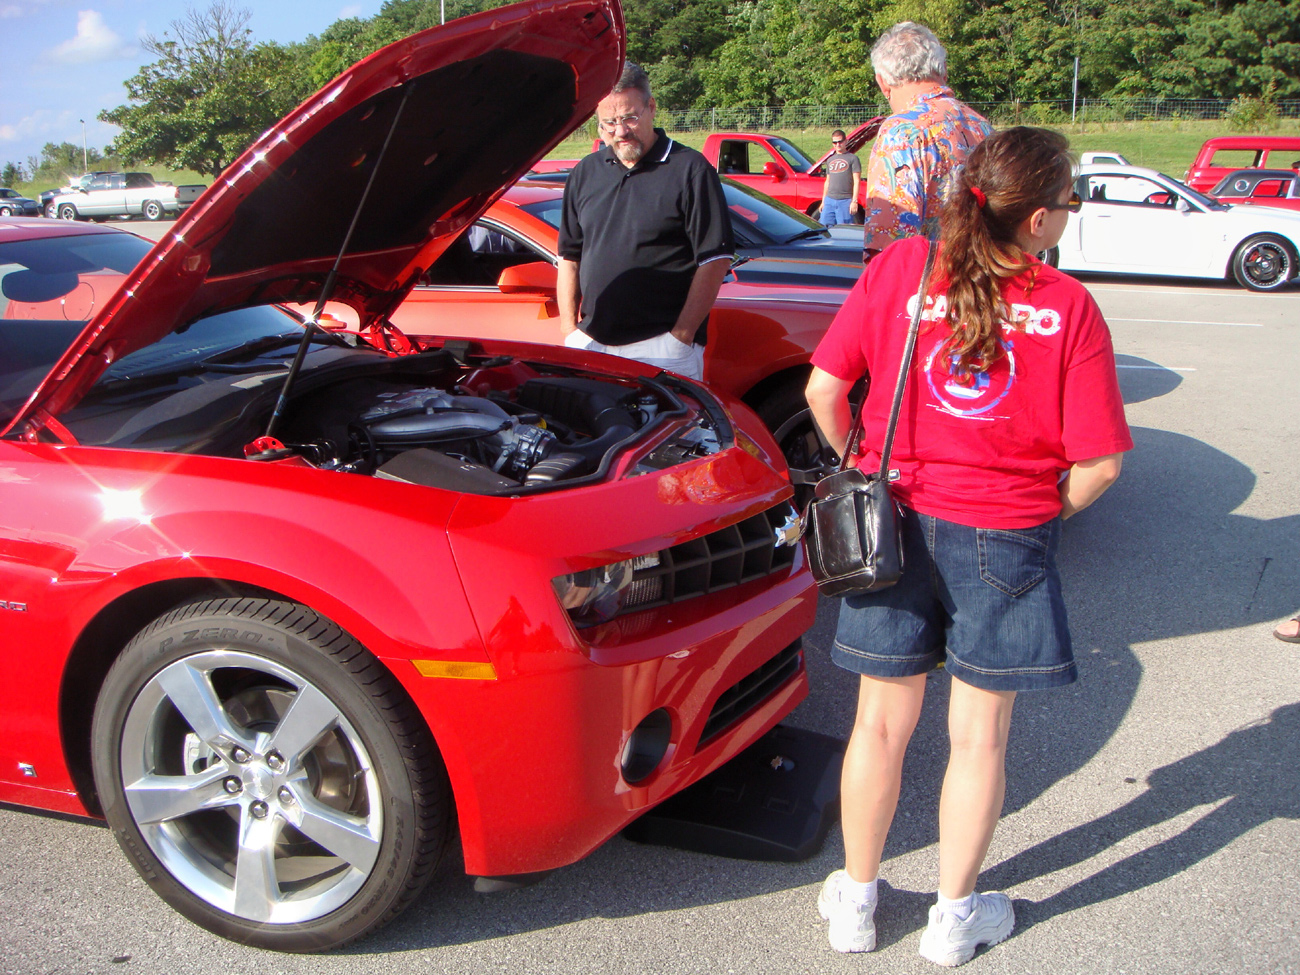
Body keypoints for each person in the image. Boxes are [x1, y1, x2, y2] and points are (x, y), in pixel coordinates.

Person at [805, 127, 1132, 966]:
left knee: (879, 725)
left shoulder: (896, 271)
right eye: (1068, 203)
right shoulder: (1066, 304)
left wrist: (861, 466)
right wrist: (1039, 507)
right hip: (1008, 531)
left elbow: (824, 389)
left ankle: (857, 901)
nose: (1068, 216)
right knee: (978, 736)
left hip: (898, 521)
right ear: (1038, 223)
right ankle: (954, 919)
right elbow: (1099, 465)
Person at [557, 62, 734, 381]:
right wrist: (571, 332)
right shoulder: (585, 172)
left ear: (651, 108)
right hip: (591, 344)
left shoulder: (690, 170)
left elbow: (715, 259)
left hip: (662, 349)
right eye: (608, 123)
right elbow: (569, 257)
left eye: (629, 118)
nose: (620, 131)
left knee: (669, 433)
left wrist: (681, 336)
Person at [861, 22, 992, 264]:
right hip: (985, 284)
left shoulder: (901, 131)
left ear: (883, 83)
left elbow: (891, 245)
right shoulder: (982, 126)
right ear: (943, 71)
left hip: (931, 290)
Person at [821, 129, 861, 227]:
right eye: (835, 142)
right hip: (829, 200)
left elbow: (856, 181)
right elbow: (827, 181)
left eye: (840, 142)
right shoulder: (830, 160)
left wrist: (854, 201)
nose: (837, 145)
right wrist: (823, 202)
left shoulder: (853, 159)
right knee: (823, 228)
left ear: (845, 141)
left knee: (843, 229)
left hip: (845, 201)